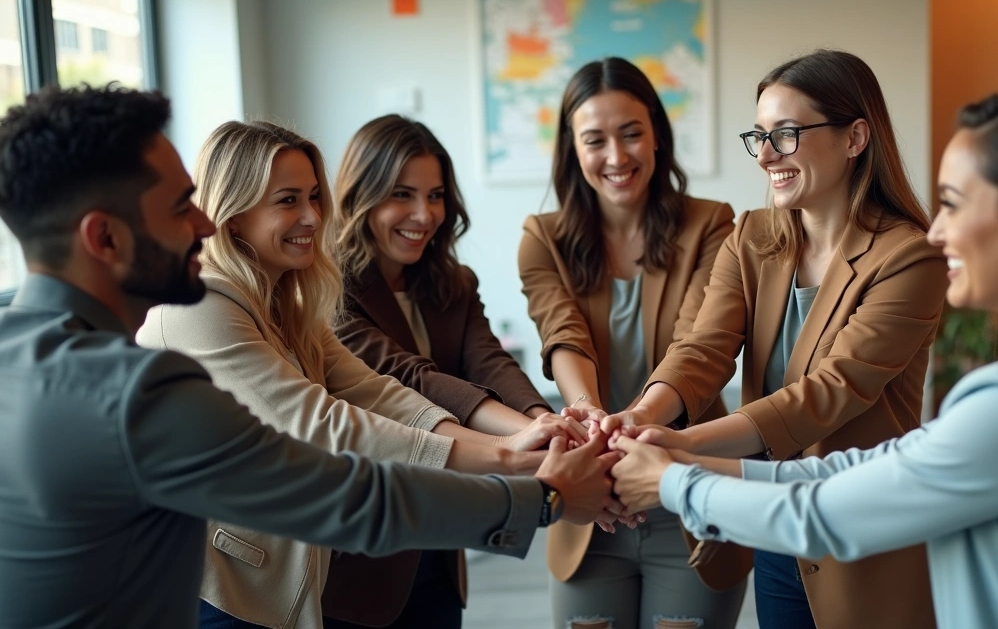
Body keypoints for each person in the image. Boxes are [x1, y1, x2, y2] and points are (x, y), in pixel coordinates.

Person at [0, 85, 617, 628]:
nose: (204, 225)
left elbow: (371, 389)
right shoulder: (141, 387)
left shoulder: (22, 353)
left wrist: (519, 448)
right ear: (104, 237)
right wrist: (542, 493)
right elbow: (342, 491)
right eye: (179, 206)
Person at [610, 83, 998, 629]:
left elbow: (825, 510)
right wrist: (678, 452)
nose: (935, 231)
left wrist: (671, 482)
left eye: (954, 202)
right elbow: (857, 470)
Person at [135, 120, 583, 628]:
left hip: (283, 574)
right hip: (219, 590)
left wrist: (527, 437)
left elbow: (377, 392)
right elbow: (323, 423)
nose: (311, 216)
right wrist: (512, 462)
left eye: (312, 197)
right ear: (234, 217)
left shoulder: (288, 301)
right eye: (287, 201)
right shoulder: (200, 307)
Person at [596, 49, 946, 628]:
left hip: (858, 529)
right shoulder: (753, 236)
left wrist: (678, 449)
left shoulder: (910, 256)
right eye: (757, 136)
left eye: (784, 135)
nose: (764, 156)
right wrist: (640, 420)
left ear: (856, 137)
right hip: (768, 520)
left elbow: (830, 393)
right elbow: (703, 348)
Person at [323, 115, 579, 628]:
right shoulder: (329, 289)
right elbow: (408, 378)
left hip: (442, 543)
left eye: (436, 195)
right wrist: (531, 435)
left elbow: (489, 360)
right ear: (361, 195)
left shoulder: (452, 282)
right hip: (365, 552)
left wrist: (543, 420)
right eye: (402, 194)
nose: (424, 214)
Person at [518, 57, 746, 629]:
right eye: (595, 140)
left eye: (631, 134)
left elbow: (700, 343)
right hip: (589, 499)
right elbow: (561, 332)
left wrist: (637, 423)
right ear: (573, 150)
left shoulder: (712, 224)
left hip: (685, 493)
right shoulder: (541, 239)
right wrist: (594, 418)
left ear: (657, 136)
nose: (617, 158)